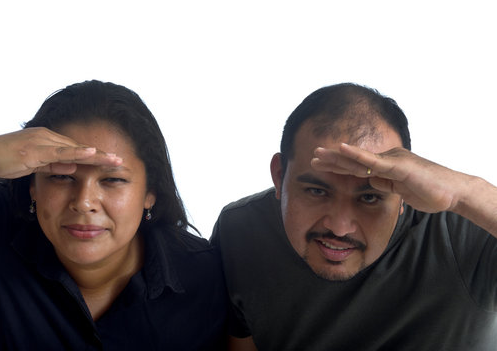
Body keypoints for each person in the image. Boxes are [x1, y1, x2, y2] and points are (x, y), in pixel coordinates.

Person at [211, 83, 497, 350]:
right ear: (278, 176)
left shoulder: (469, 232)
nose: (339, 227)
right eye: (316, 191)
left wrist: (467, 193)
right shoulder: (240, 231)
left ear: (401, 195)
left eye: (369, 197)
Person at [0, 80, 227, 350]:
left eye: (112, 180)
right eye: (61, 177)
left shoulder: (206, 278)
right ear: (31, 185)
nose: (84, 203)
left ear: (150, 193)